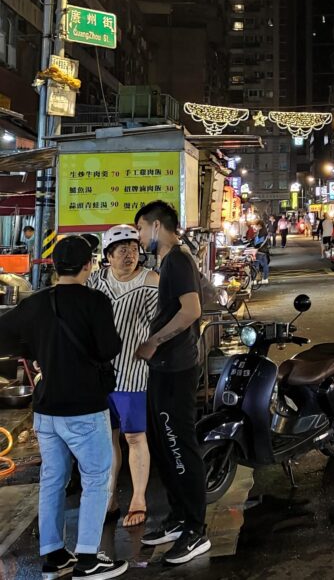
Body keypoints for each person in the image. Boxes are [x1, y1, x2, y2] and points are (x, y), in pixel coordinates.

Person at [0, 235, 128, 579]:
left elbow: (4, 334)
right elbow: (108, 349)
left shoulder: (36, 303)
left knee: (53, 478)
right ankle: (88, 557)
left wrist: (39, 353)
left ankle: (54, 554)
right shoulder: (95, 301)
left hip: (46, 409)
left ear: (54, 266)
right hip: (84, 406)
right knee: (97, 477)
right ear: (89, 264)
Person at [133, 201, 210, 564]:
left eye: (139, 229)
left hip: (177, 365)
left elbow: (191, 310)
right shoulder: (167, 262)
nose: (138, 237)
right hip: (164, 366)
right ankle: (179, 518)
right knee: (163, 443)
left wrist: (155, 340)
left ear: (157, 225)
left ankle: (196, 528)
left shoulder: (178, 259)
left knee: (180, 444)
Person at [87, 225, 159, 530]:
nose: (129, 255)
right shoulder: (95, 282)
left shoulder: (150, 281)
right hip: (100, 375)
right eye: (121, 250)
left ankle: (138, 499)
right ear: (107, 256)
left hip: (134, 375)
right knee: (108, 438)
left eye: (132, 248)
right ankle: (109, 499)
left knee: (134, 437)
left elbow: (162, 324)